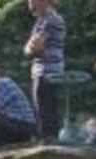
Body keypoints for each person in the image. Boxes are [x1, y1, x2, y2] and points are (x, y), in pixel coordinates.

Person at [25, 0, 66, 140]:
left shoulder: (51, 20)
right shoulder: (41, 21)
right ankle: (48, 142)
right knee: (43, 113)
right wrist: (30, 47)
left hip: (48, 71)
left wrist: (30, 48)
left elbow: (35, 47)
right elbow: (29, 47)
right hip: (42, 71)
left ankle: (49, 144)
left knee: (45, 114)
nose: (30, 2)